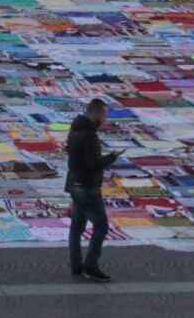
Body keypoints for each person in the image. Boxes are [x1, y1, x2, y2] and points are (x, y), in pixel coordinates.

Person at [64, 97, 120, 281]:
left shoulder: (75, 130)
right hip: (87, 187)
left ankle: (76, 266)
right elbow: (92, 164)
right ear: (96, 113)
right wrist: (112, 157)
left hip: (74, 184)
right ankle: (91, 265)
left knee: (76, 228)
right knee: (101, 227)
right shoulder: (89, 135)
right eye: (104, 114)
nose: (105, 119)